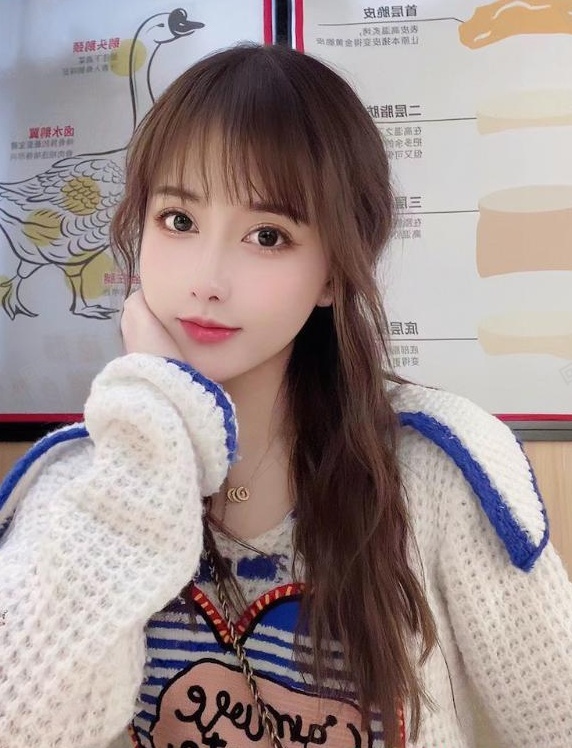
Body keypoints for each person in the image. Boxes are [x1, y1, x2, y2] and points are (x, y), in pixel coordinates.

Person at [0, 44, 571, 748]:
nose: (207, 280)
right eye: (178, 220)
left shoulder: (439, 468)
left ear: (333, 272)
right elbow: (23, 725)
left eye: (267, 235)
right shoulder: (83, 483)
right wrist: (148, 446)